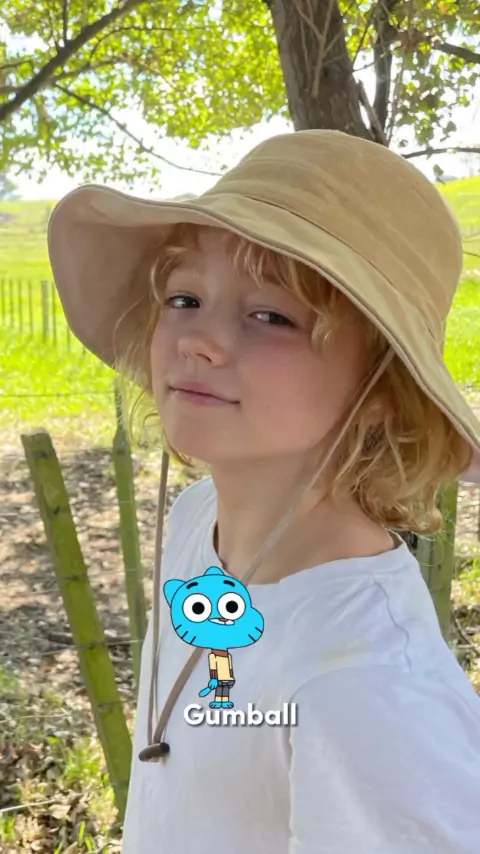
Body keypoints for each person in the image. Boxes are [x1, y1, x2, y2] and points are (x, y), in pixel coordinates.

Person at [48, 130, 480, 853]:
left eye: (271, 316)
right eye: (184, 297)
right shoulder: (197, 519)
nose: (198, 339)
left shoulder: (367, 688)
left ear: (382, 390)